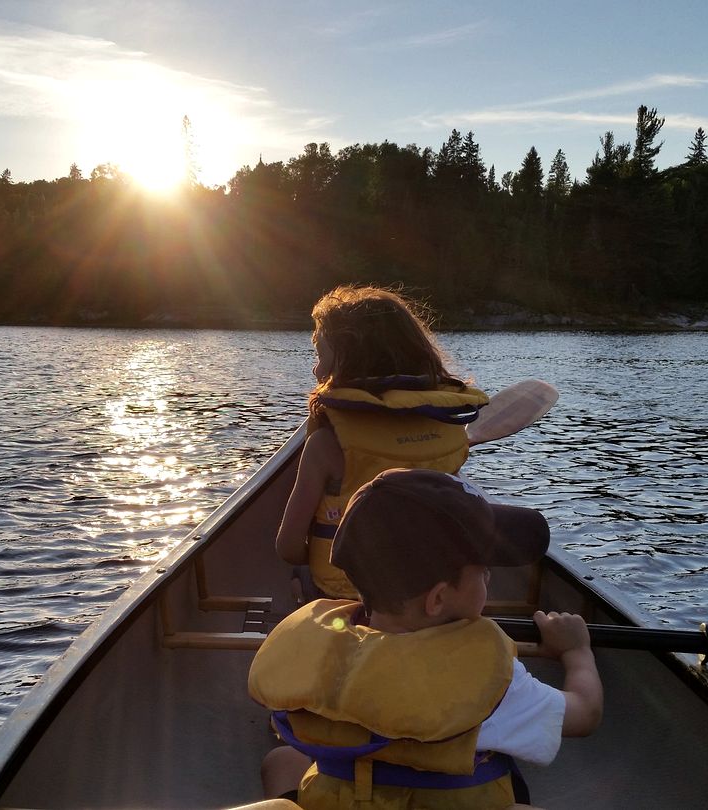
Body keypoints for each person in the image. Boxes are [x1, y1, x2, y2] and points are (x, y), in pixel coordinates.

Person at [250, 469, 603, 809]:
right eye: (482, 572)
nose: (489, 578)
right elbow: (585, 714)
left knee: (281, 760)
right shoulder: (489, 680)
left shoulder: (322, 659)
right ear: (437, 599)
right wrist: (575, 650)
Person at [275, 285, 546, 602]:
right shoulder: (449, 434)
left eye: (320, 356)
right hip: (427, 597)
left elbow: (288, 546)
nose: (315, 368)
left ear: (346, 366)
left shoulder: (326, 444)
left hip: (346, 595)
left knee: (300, 575)